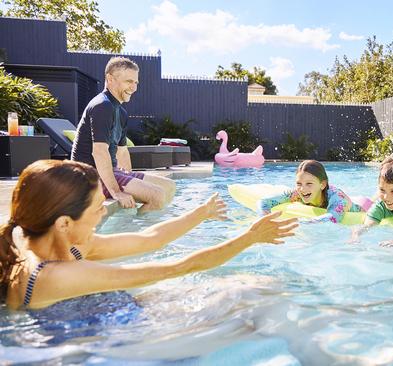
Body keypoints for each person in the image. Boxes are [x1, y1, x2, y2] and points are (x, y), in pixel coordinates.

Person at [0, 160, 298, 310]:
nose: (103, 213)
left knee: (252, 286)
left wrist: (200, 214)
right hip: (91, 343)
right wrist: (250, 237)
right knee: (253, 296)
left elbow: (150, 239)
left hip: (99, 315)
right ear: (64, 222)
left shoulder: (47, 238)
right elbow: (177, 268)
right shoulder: (53, 276)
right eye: (97, 208)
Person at [71, 56, 175, 212]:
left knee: (169, 186)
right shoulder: (102, 106)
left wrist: (130, 178)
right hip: (88, 177)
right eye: (128, 81)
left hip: (111, 171)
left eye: (136, 82)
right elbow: (99, 152)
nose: (134, 88)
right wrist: (117, 192)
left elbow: (122, 152)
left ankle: (139, 222)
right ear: (110, 79)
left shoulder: (121, 112)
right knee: (157, 195)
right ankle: (141, 234)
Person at [258, 160, 365, 223]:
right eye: (299, 184)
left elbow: (332, 218)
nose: (302, 189)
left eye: (309, 184)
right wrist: (264, 219)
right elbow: (264, 202)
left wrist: (300, 221)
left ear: (322, 184)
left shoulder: (337, 198)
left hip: (359, 214)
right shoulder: (296, 194)